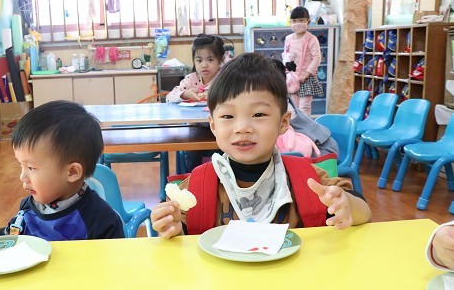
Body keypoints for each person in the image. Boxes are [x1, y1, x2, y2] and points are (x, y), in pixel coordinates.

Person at [150, 53, 372, 239]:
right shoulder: (196, 186)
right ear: (214, 125)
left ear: (283, 122)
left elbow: (364, 211)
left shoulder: (308, 179)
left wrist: (347, 205)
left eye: (258, 114)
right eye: (228, 116)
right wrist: (172, 229)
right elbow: (183, 244)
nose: (242, 128)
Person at [0, 100, 124, 241]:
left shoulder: (101, 220)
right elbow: (1, 247)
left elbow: (114, 268)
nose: (22, 176)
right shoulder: (28, 210)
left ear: (72, 172)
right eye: (21, 165)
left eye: (31, 167)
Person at [167, 34, 226, 171]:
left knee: (223, 153)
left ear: (220, 60)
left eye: (210, 59)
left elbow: (235, 97)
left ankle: (221, 180)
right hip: (195, 129)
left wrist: (214, 96)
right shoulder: (191, 79)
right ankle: (193, 179)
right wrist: (185, 94)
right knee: (192, 154)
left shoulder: (224, 78)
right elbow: (169, 97)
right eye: (199, 60)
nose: (204, 65)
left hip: (220, 129)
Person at [283, 6, 322, 117]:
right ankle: (294, 127)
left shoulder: (311, 39)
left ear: (308, 22)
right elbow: (286, 55)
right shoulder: (288, 39)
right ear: (290, 22)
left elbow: (317, 58)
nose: (297, 23)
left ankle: (304, 127)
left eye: (301, 20)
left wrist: (306, 74)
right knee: (293, 106)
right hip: (292, 78)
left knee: (304, 107)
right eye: (294, 21)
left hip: (306, 78)